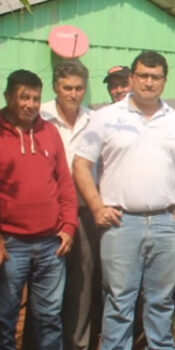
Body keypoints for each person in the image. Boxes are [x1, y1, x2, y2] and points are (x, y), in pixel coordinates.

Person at [72, 51, 175, 350]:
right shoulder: (105, 117)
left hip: (167, 223)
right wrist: (97, 207)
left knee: (161, 301)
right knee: (119, 301)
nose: (149, 82)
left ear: (164, 81)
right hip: (121, 225)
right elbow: (80, 165)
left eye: (155, 77)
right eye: (143, 76)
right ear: (132, 78)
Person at [0, 69, 78, 350]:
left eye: (35, 98)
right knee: (5, 317)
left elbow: (65, 185)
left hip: (50, 243)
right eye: (24, 97)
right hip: (10, 244)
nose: (30, 104)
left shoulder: (49, 131)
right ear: (9, 96)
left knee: (48, 317)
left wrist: (68, 227)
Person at [39, 59, 101, 350]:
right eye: (67, 88)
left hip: (84, 213)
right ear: (56, 87)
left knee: (82, 285)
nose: (73, 94)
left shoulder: (94, 120)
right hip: (47, 217)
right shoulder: (40, 117)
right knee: (45, 290)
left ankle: (78, 345)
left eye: (78, 88)